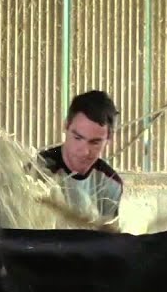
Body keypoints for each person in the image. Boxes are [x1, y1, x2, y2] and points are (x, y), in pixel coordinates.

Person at [37, 90, 124, 224]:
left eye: (95, 142)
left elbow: (110, 240)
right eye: (77, 138)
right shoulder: (38, 171)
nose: (84, 152)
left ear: (109, 138)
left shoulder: (111, 184)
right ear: (66, 126)